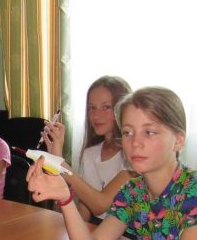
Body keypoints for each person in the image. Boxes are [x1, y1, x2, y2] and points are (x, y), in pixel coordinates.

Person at [28, 86, 197, 240]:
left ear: (178, 140)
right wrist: (65, 199)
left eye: (149, 132)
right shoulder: (133, 191)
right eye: (128, 132)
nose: (135, 143)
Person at [41, 75, 132, 223]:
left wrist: (59, 163)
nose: (96, 115)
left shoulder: (135, 156)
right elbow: (84, 213)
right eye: (92, 107)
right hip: (98, 230)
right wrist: (53, 168)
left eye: (106, 107)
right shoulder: (90, 154)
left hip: (128, 232)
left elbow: (100, 205)